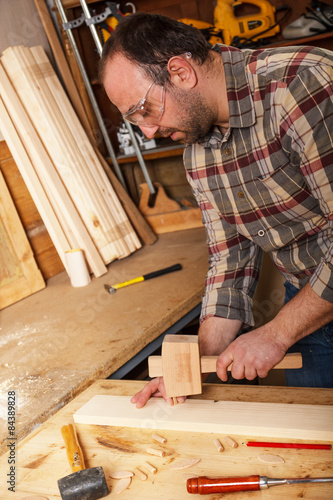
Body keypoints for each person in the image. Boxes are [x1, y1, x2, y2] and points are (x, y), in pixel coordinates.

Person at [99, 12, 333, 407]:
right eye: (134, 120)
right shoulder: (198, 154)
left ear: (180, 72)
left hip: (300, 314)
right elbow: (231, 262)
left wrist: (275, 335)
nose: (149, 133)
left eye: (144, 111)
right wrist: (193, 367)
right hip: (308, 304)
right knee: (314, 443)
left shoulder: (302, 86)